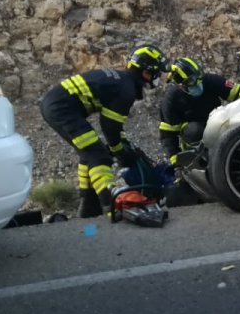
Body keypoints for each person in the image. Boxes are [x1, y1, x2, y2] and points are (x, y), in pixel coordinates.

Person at [40, 43, 169, 218]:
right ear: (146, 72)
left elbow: (114, 126)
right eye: (156, 72)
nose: (157, 77)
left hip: (58, 106)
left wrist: (122, 144)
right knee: (98, 154)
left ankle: (89, 206)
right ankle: (109, 205)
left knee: (89, 153)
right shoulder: (127, 90)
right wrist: (119, 151)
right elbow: (109, 126)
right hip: (62, 109)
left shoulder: (123, 81)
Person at [159, 57, 240, 170]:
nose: (199, 85)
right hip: (195, 141)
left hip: (219, 126)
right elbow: (168, 135)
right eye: (193, 83)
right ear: (181, 85)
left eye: (200, 79)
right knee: (194, 129)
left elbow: (239, 94)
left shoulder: (210, 80)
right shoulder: (172, 99)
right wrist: (176, 161)